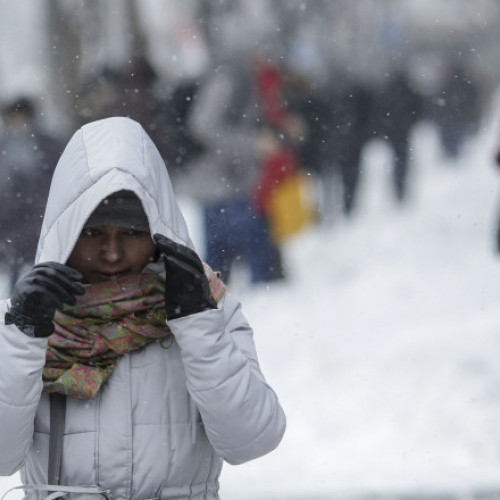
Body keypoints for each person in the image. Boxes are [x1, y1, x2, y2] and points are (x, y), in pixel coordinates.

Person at [0, 117, 286, 499]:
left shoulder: (206, 307)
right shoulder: (26, 320)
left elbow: (252, 439)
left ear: (156, 232)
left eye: (132, 233)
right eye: (92, 233)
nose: (113, 253)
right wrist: (24, 336)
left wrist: (197, 323)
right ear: (65, 231)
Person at [0, 96, 63, 293]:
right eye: (14, 117)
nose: (19, 123)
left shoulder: (48, 145)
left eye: (22, 117)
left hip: (37, 216)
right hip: (11, 219)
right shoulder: (6, 145)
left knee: (37, 269)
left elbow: (55, 178)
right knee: (13, 269)